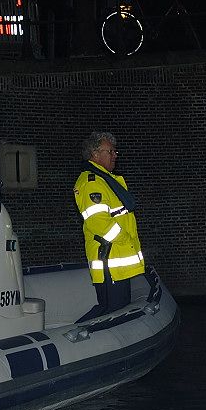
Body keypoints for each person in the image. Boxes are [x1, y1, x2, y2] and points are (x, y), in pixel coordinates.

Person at [73, 132, 145, 322]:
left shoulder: (106, 180)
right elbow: (98, 222)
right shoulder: (92, 182)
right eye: (110, 151)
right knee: (111, 311)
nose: (115, 155)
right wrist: (125, 240)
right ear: (95, 154)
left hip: (117, 260)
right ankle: (75, 334)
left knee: (114, 310)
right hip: (110, 260)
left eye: (115, 151)